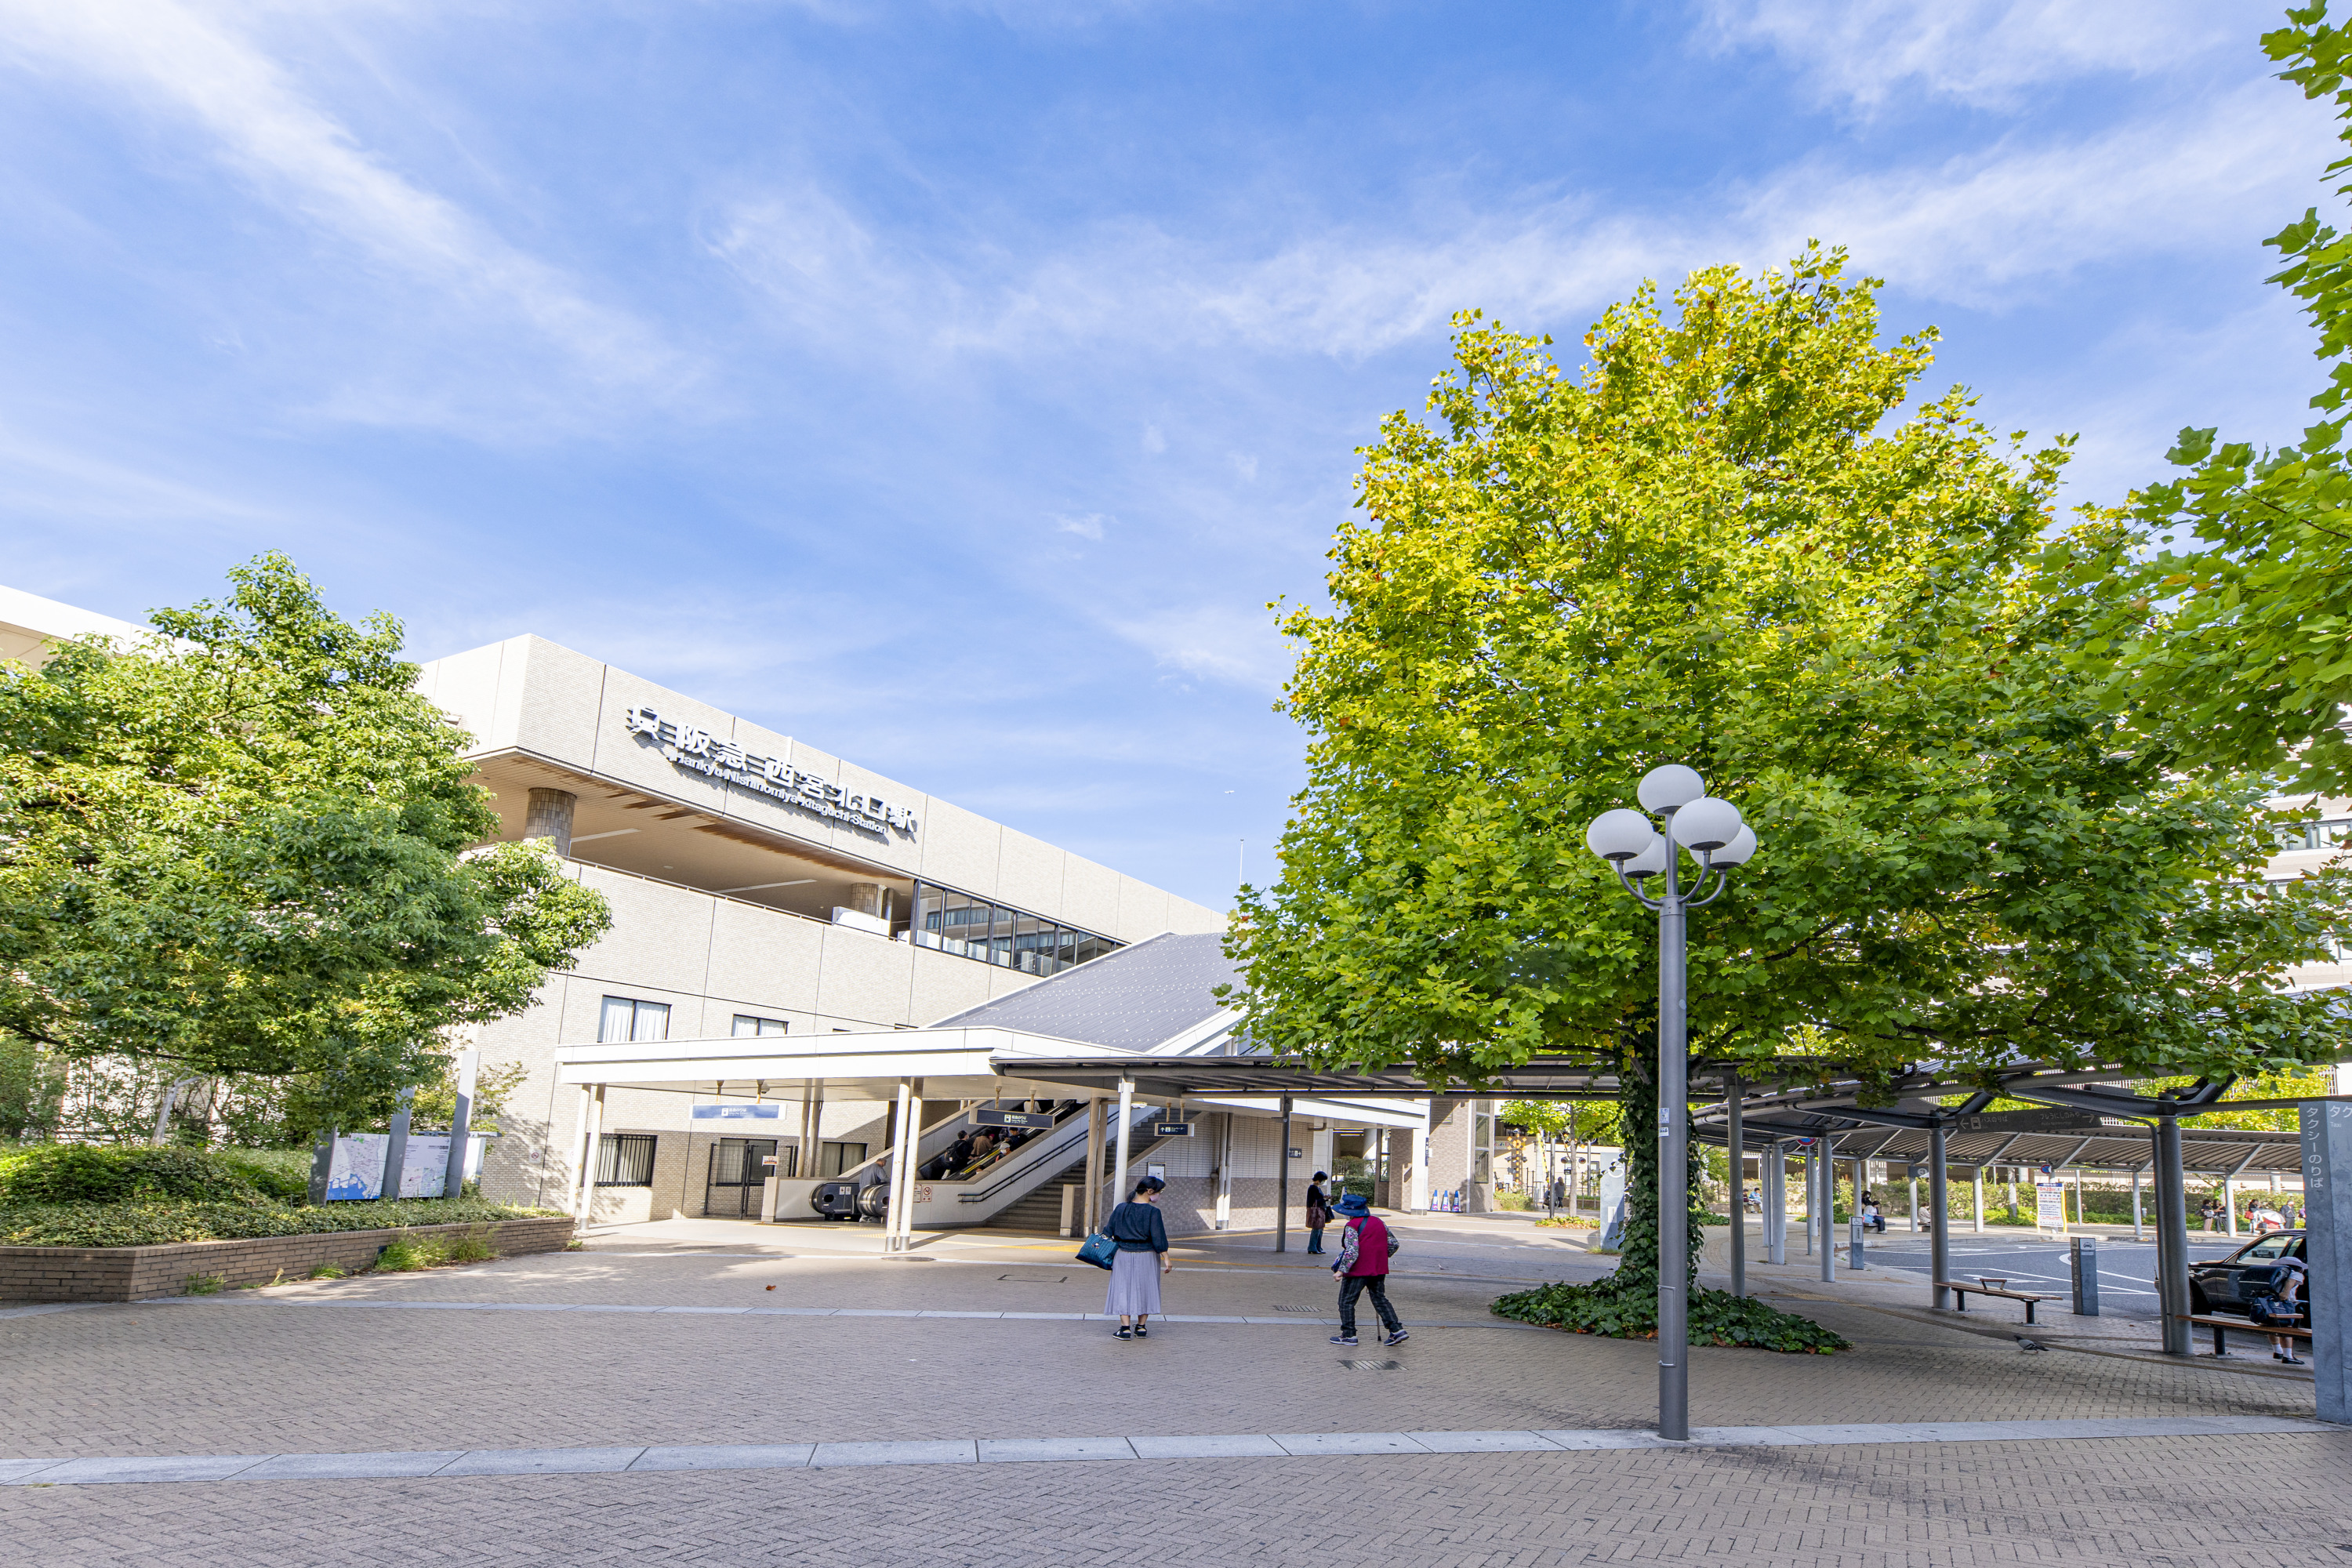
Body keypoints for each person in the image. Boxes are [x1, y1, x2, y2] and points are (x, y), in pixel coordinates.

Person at [1328, 1193, 1406, 1348]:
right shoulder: (1379, 1222)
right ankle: (1396, 1330)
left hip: (1358, 1271)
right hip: (1378, 1269)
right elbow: (1394, 1244)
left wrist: (1341, 1271)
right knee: (1379, 1299)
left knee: (1346, 1302)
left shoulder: (1352, 1226)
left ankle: (1349, 1335)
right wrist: (1379, 1256)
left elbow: (1352, 1250)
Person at [1103, 1175, 1172, 1340]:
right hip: (1147, 1255)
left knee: (1122, 1289)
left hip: (1122, 1255)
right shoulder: (1153, 1212)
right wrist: (1166, 1257)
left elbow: (1107, 1231)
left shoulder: (1121, 1208)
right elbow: (1158, 1237)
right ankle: (1141, 1327)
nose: (1159, 1195)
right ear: (1149, 1191)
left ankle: (1125, 1329)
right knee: (1146, 1288)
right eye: (1158, 1192)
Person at [1304, 1171, 1331, 1254]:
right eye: (1323, 1180)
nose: (1323, 1182)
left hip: (1320, 1210)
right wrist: (1324, 1199)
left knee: (1320, 1229)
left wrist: (1324, 1198)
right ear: (1319, 1179)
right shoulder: (1313, 1188)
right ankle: (1313, 1247)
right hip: (1317, 1211)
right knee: (1317, 1229)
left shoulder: (1317, 1188)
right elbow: (1314, 1201)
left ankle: (1318, 1247)